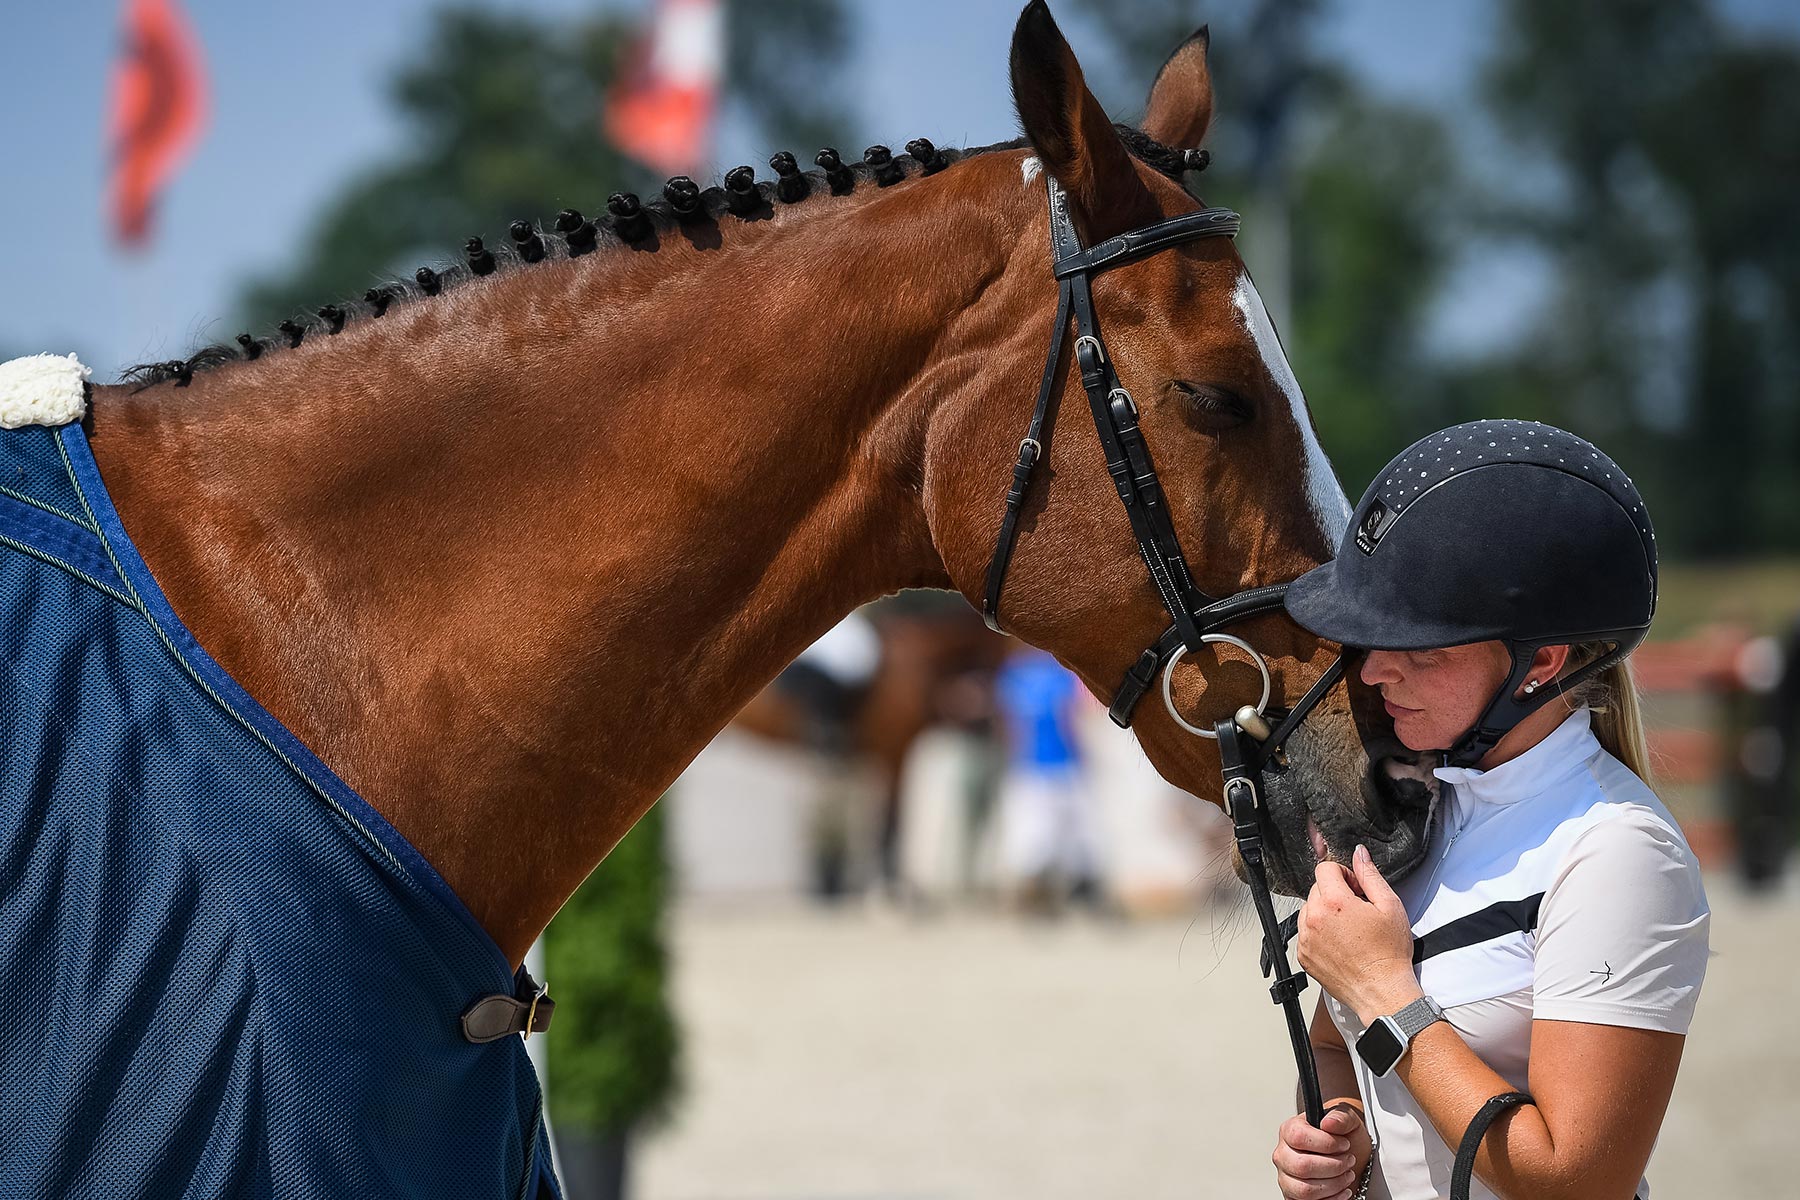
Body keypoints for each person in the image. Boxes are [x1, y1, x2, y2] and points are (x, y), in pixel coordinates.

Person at [1268, 421, 1708, 1200]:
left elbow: (1576, 1179)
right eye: (1370, 640)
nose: (1374, 672)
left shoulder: (1617, 854)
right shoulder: (1417, 814)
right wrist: (1338, 1137)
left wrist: (1384, 991)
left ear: (1541, 663)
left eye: (1424, 649)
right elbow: (1340, 1047)